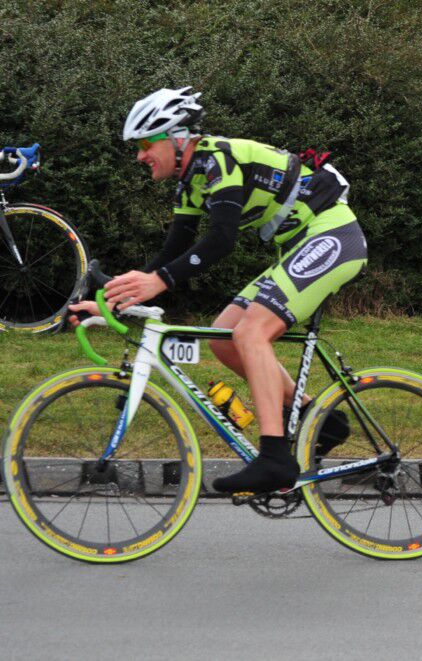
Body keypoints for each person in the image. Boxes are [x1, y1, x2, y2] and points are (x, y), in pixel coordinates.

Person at [69, 86, 367, 494]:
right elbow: (174, 251)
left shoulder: (217, 160)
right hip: (300, 245)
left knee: (252, 332)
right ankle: (319, 419)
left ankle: (274, 458)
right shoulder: (190, 181)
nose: (140, 156)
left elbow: (221, 239)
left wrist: (159, 280)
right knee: (224, 337)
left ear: (177, 139)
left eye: (145, 144)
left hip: (332, 235)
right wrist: (114, 300)